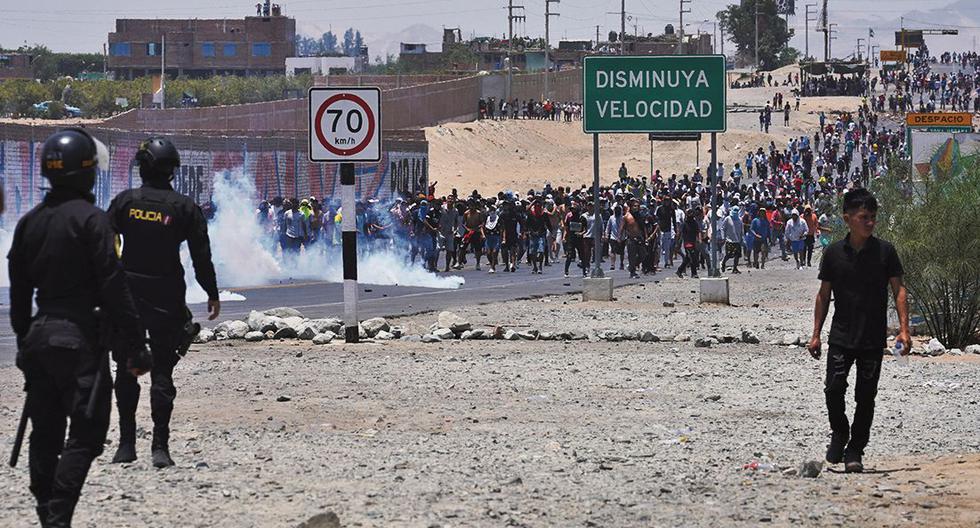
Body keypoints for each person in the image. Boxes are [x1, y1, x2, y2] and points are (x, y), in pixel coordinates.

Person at [9, 128, 151, 527]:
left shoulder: (29, 223)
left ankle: (44, 509)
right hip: (80, 337)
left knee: (44, 431)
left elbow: (19, 293)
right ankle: (58, 515)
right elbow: (113, 285)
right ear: (87, 173)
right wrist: (135, 345)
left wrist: (25, 339)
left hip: (39, 336)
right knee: (87, 434)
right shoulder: (93, 221)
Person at [107, 136, 221, 468]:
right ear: (172, 171)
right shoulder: (184, 208)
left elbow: (103, 244)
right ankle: (160, 447)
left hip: (127, 297)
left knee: (126, 368)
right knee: (162, 372)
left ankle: (126, 445)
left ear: (143, 168)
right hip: (167, 298)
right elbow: (202, 257)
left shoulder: (125, 202)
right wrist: (212, 292)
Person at [807, 188, 910, 473]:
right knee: (833, 388)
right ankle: (839, 432)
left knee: (866, 396)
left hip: (872, 339)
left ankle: (855, 450)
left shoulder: (885, 252)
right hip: (840, 336)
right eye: (864, 217)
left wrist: (904, 331)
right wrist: (816, 334)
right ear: (848, 218)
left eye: (873, 217)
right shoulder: (833, 254)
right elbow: (823, 295)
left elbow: (899, 290)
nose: (870, 223)